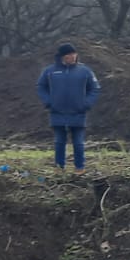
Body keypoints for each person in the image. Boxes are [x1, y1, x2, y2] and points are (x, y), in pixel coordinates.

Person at [37, 43, 101, 173]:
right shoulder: (50, 71)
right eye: (69, 55)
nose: (72, 57)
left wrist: (86, 103)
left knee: (78, 142)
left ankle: (79, 168)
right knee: (59, 141)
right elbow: (40, 86)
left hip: (78, 112)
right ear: (62, 56)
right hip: (57, 112)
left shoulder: (85, 71)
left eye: (74, 54)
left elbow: (95, 88)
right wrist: (48, 102)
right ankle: (59, 168)